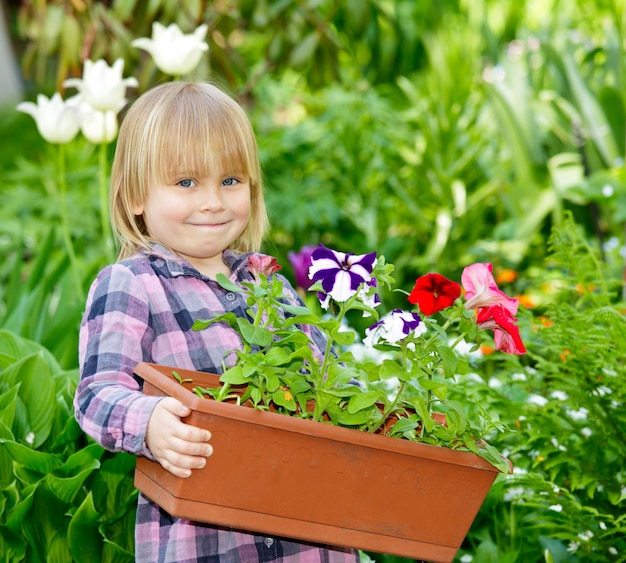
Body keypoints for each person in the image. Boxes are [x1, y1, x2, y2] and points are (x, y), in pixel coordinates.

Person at [75, 81, 360, 563]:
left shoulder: (270, 283)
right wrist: (149, 423)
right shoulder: (131, 284)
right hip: (209, 542)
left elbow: (327, 382)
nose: (213, 201)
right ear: (135, 197)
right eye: (186, 183)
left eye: (231, 181)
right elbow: (96, 394)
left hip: (310, 538)